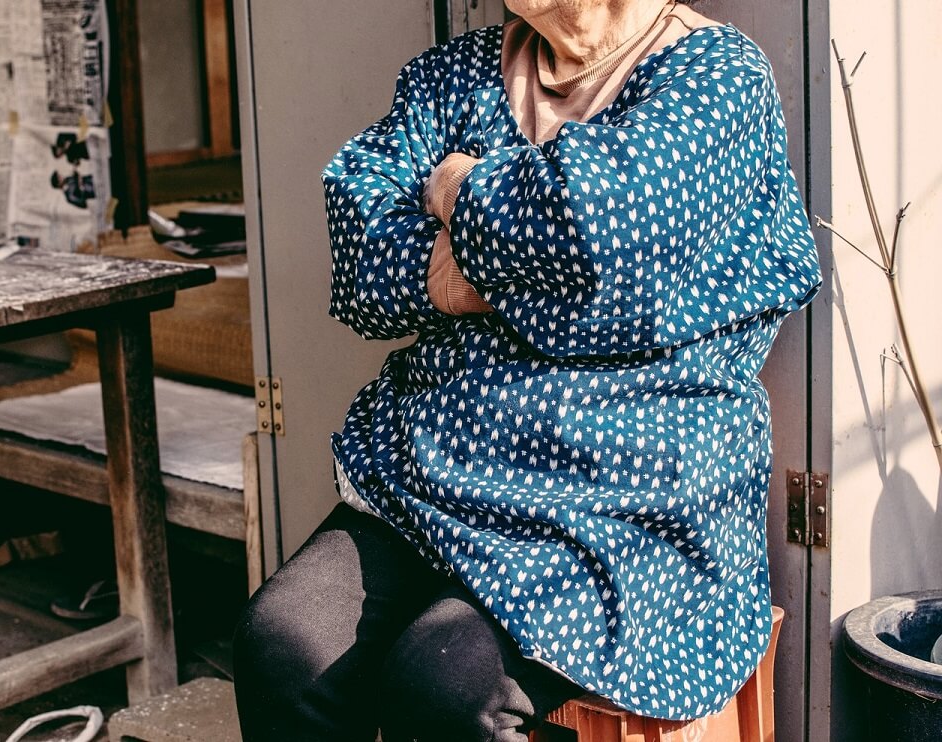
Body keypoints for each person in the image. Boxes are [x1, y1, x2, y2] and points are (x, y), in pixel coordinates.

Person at [234, 1, 822, 740]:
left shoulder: (717, 76)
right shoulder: (452, 77)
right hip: (434, 471)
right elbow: (361, 249)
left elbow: (599, 234)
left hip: (622, 498)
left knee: (444, 685)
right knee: (282, 647)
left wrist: (454, 189)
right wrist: (486, 270)